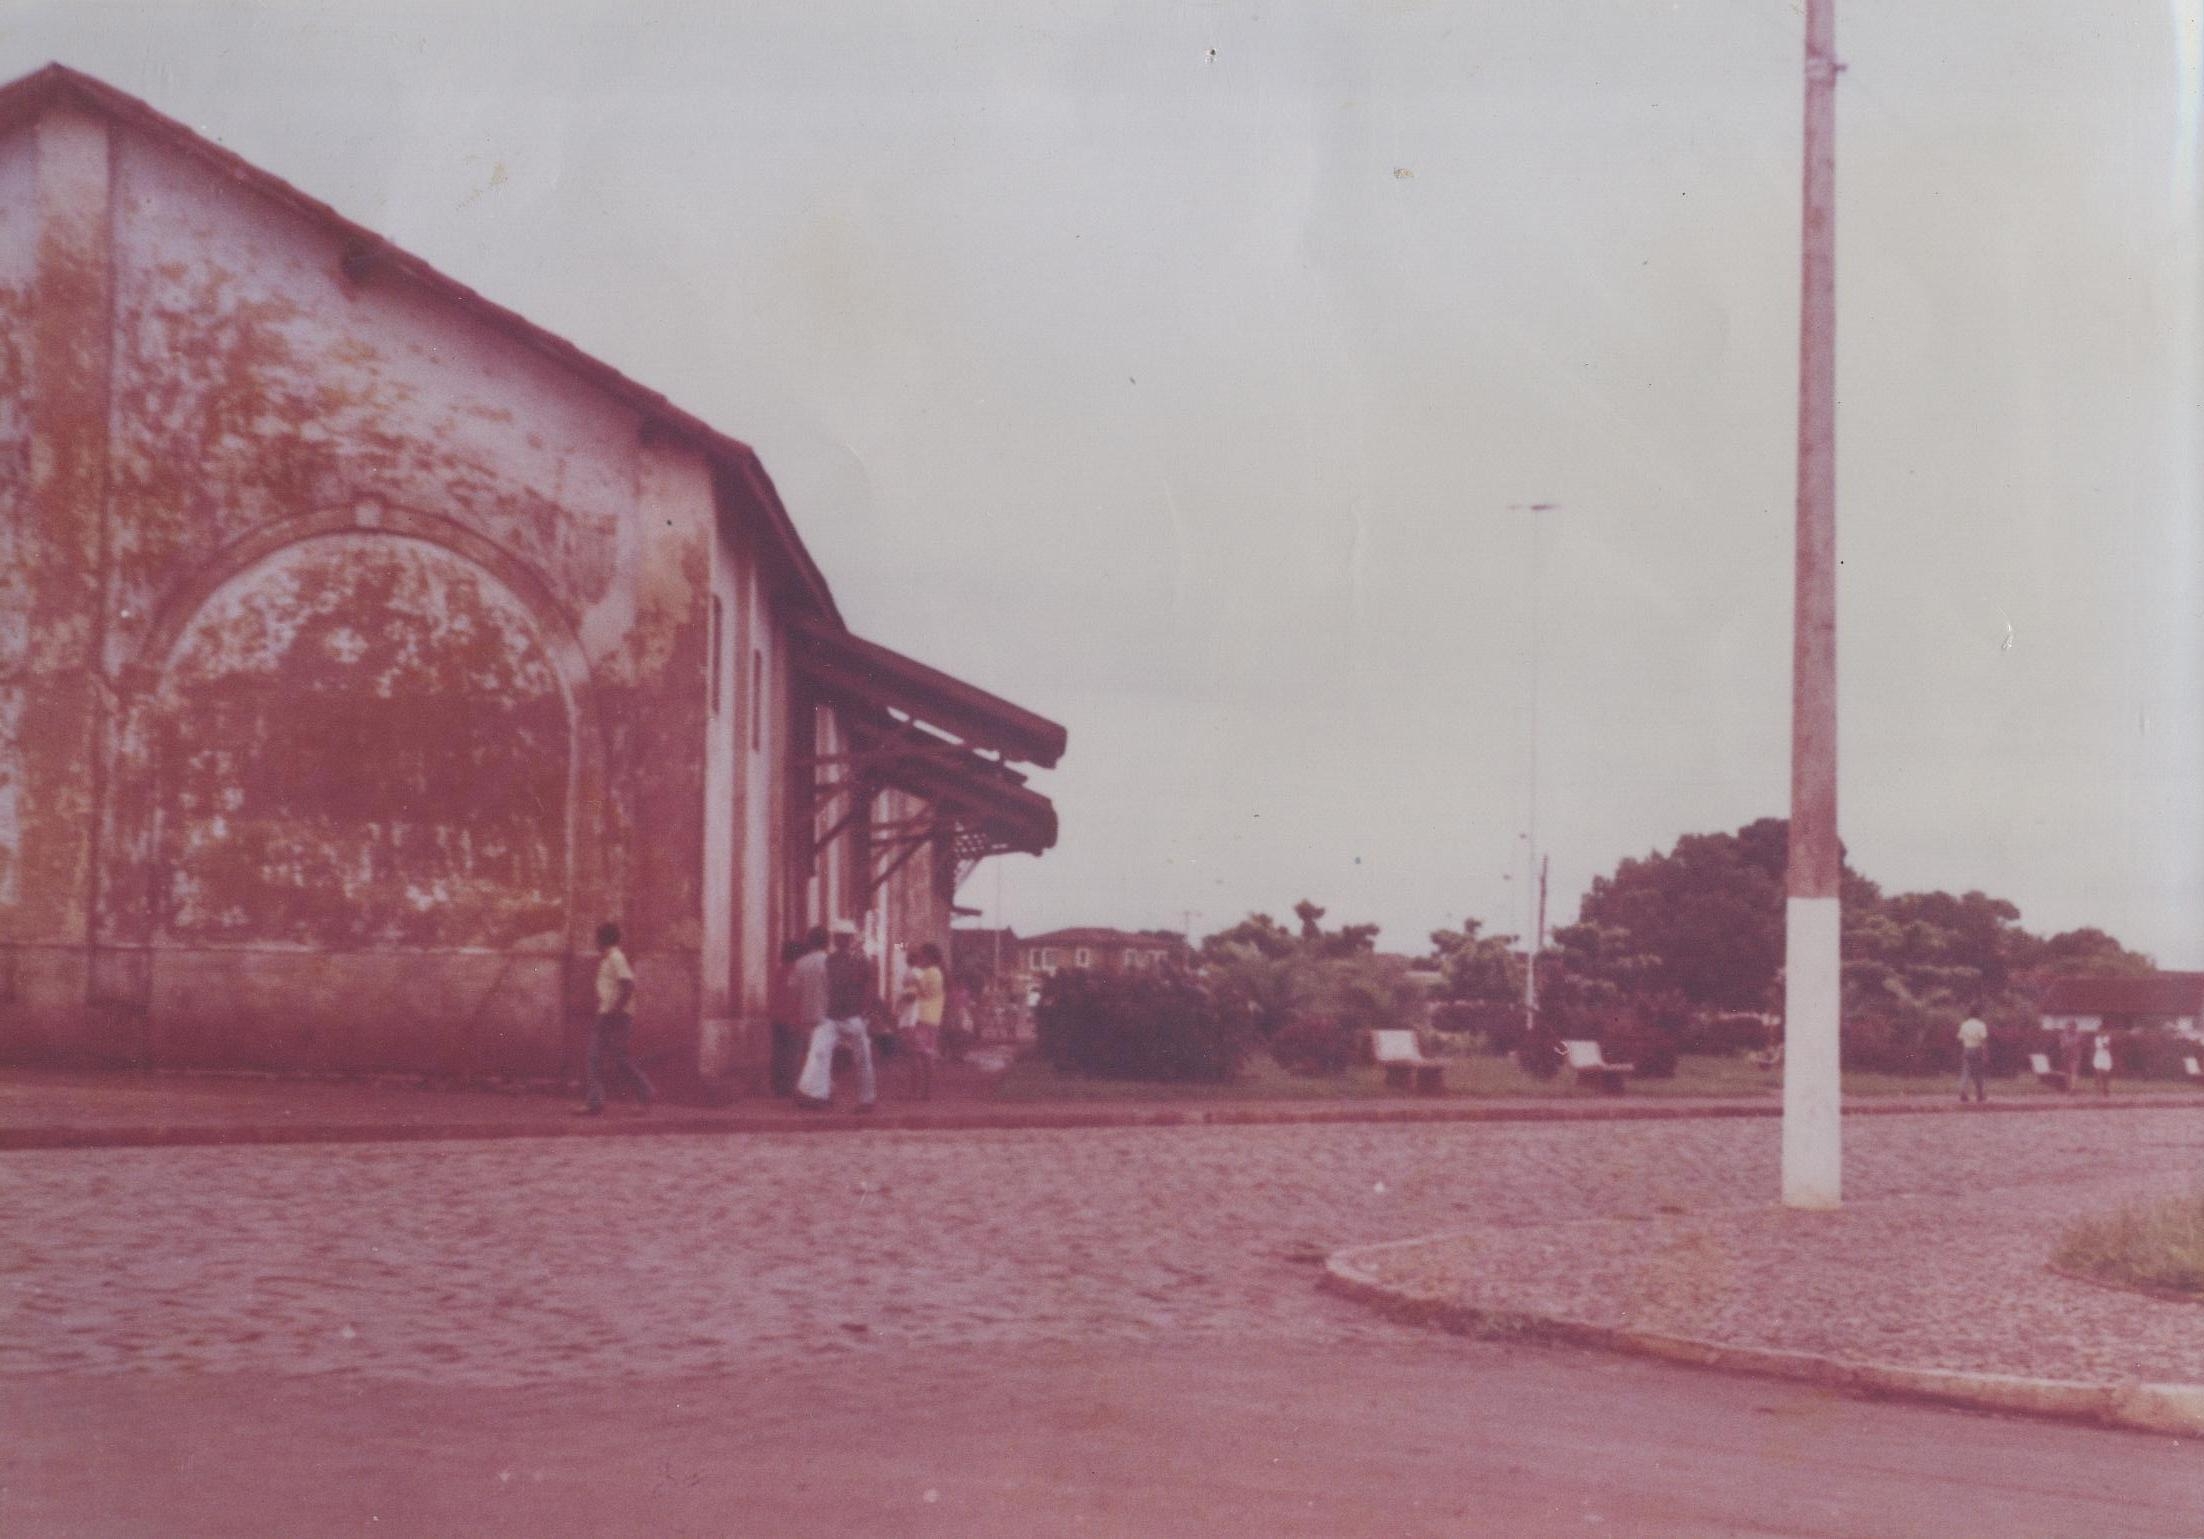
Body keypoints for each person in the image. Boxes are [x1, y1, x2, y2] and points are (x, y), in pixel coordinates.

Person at [794, 920, 876, 1112]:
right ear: (835, 939)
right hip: (831, 1017)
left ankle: (867, 1099)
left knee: (863, 1058)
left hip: (853, 1016)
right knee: (818, 1053)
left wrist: (866, 1010)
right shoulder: (828, 961)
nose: (842, 941)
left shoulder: (860, 961)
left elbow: (869, 987)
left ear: (850, 939)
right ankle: (815, 1093)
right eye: (839, 937)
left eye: (845, 937)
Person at [578, 921, 652, 1116]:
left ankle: (643, 1092)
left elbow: (628, 985)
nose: (595, 942)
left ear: (602, 939)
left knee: (608, 1058)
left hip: (614, 1016)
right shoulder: (609, 958)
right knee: (603, 1058)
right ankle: (597, 1101)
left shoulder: (615, 957)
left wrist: (616, 1011)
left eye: (596, 939)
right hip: (608, 1014)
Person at [897, 942, 946, 1101]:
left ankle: (914, 1092)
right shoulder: (935, 972)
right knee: (926, 1055)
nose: (920, 958)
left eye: (922, 955)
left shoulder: (929, 973)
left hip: (921, 1017)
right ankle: (926, 1092)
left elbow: (917, 993)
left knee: (915, 1055)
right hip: (932, 1019)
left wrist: (905, 992)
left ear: (929, 956)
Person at [1956, 1012, 1989, 1104]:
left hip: (1967, 1048)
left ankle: (1963, 1090)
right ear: (1979, 1014)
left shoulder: (1964, 1024)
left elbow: (1960, 1038)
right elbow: (1983, 1039)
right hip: (1977, 1049)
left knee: (1966, 1071)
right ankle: (1980, 1094)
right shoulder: (1981, 1025)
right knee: (1978, 1072)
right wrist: (1985, 1053)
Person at [2059, 1023, 2084, 1093]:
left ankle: (2073, 1088)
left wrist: (2073, 1046)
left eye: (2072, 1027)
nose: (2070, 1029)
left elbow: (2081, 1044)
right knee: (2067, 1072)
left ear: (2075, 1027)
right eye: (2068, 1027)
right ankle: (2068, 1087)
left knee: (2074, 1071)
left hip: (2076, 1055)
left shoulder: (2079, 1035)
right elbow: (2062, 1045)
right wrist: (2065, 1046)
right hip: (2066, 1055)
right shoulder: (2063, 1035)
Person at [2092, 1030, 2114, 1097]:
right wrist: (2104, 1044)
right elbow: (2101, 1046)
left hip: (2106, 1057)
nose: (2102, 1032)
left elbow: (2107, 1046)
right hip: (2099, 1057)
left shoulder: (2107, 1038)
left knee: (2106, 1074)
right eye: (2100, 1031)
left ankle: (2106, 1088)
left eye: (2103, 1031)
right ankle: (2099, 1089)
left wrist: (2105, 1043)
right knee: (2099, 1073)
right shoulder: (2097, 1039)